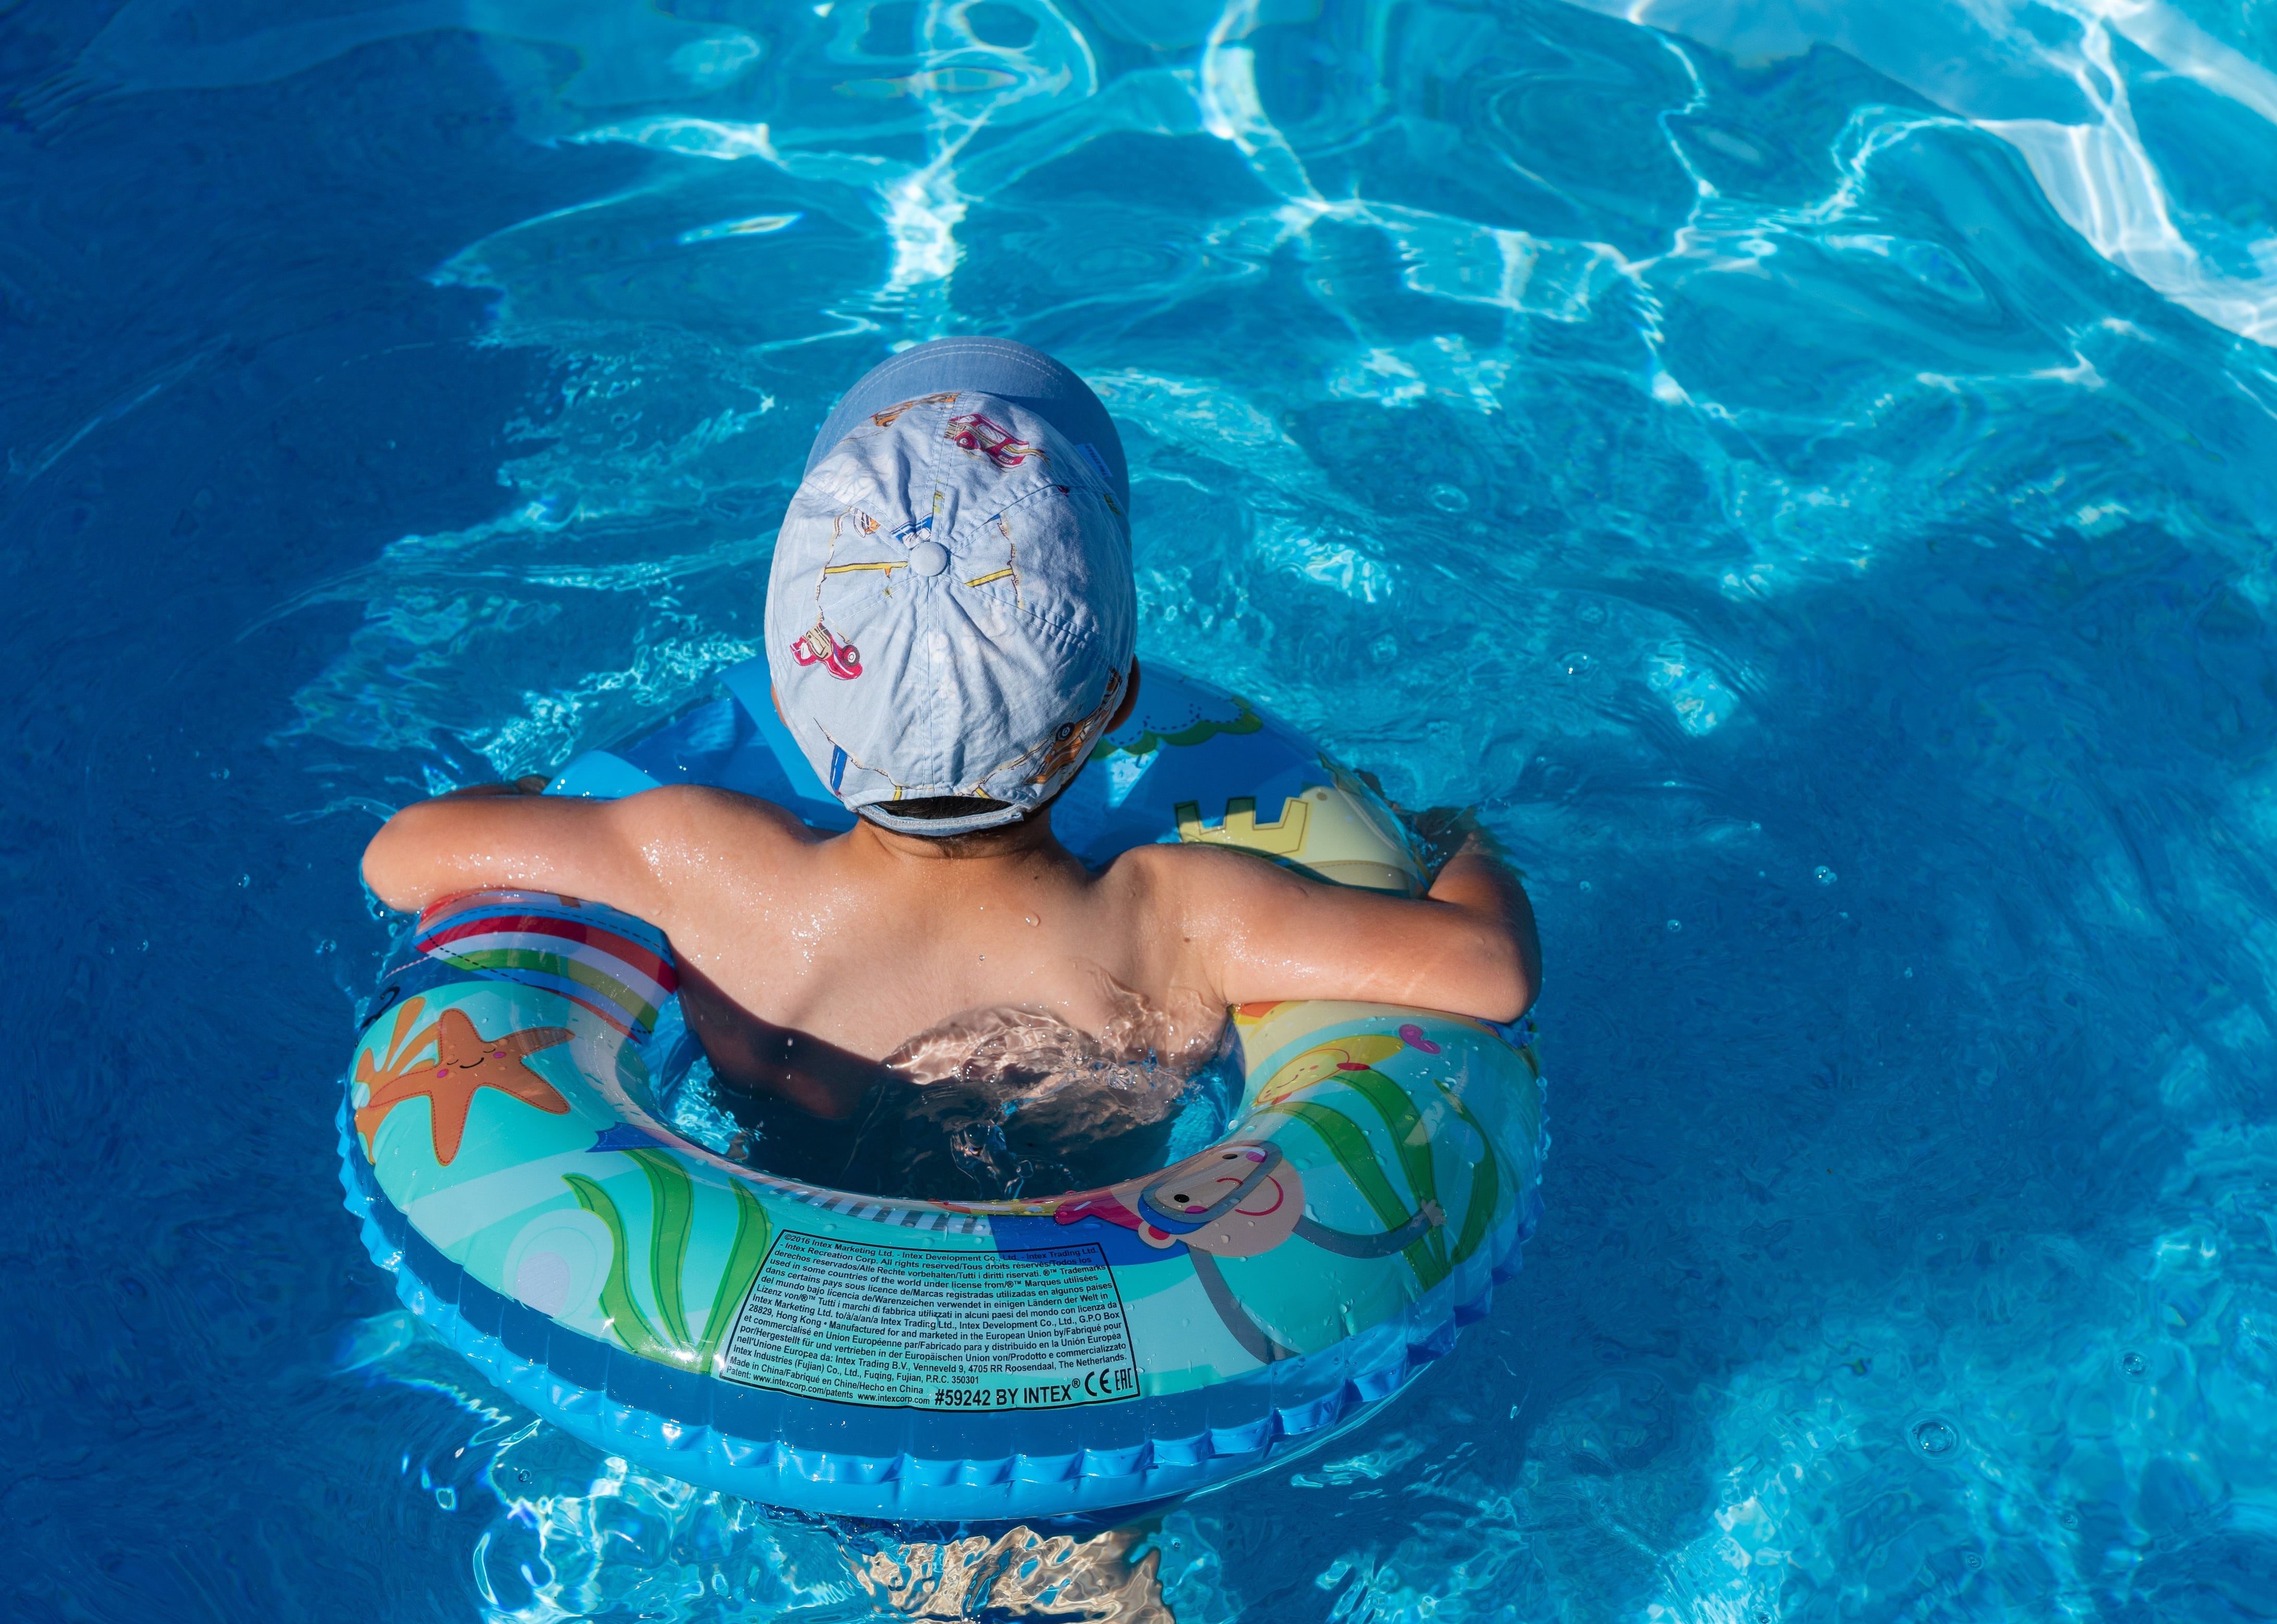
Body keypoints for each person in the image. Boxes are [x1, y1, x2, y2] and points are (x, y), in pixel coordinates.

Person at [360, 338, 1539, 1167]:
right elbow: (1488, 970)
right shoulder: (1177, 919)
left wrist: (541, 793)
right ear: (1113, 700)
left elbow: (406, 855)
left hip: (774, 1346)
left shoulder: (698, 860)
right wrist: (1448, 836)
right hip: (1097, 1363)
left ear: (790, 699)